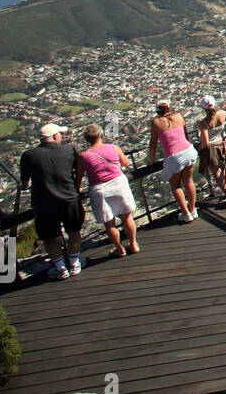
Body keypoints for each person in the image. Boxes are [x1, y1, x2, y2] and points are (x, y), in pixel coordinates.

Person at [19, 123, 86, 280]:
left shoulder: (29, 155)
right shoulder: (69, 150)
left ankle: (60, 268)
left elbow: (24, 183)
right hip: (69, 198)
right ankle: (75, 263)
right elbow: (79, 165)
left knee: (50, 237)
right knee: (74, 231)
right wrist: (77, 184)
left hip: (43, 202)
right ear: (56, 136)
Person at [75, 124, 138, 257]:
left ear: (86, 140)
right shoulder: (113, 148)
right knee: (127, 217)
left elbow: (79, 176)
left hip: (99, 189)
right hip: (118, 184)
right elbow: (126, 163)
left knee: (109, 223)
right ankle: (133, 244)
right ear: (102, 136)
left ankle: (119, 249)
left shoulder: (83, 156)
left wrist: (78, 187)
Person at [148, 100, 199, 222]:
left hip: (173, 156)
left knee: (176, 186)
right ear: (169, 109)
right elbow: (186, 136)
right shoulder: (179, 116)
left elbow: (153, 143)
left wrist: (151, 161)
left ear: (157, 111)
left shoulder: (156, 122)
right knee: (188, 180)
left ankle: (186, 214)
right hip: (188, 150)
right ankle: (193, 210)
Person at [196, 96, 226, 201]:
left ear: (203, 107)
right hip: (222, 146)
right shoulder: (222, 114)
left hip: (211, 149)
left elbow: (206, 142)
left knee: (216, 172)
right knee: (224, 170)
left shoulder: (203, 122)